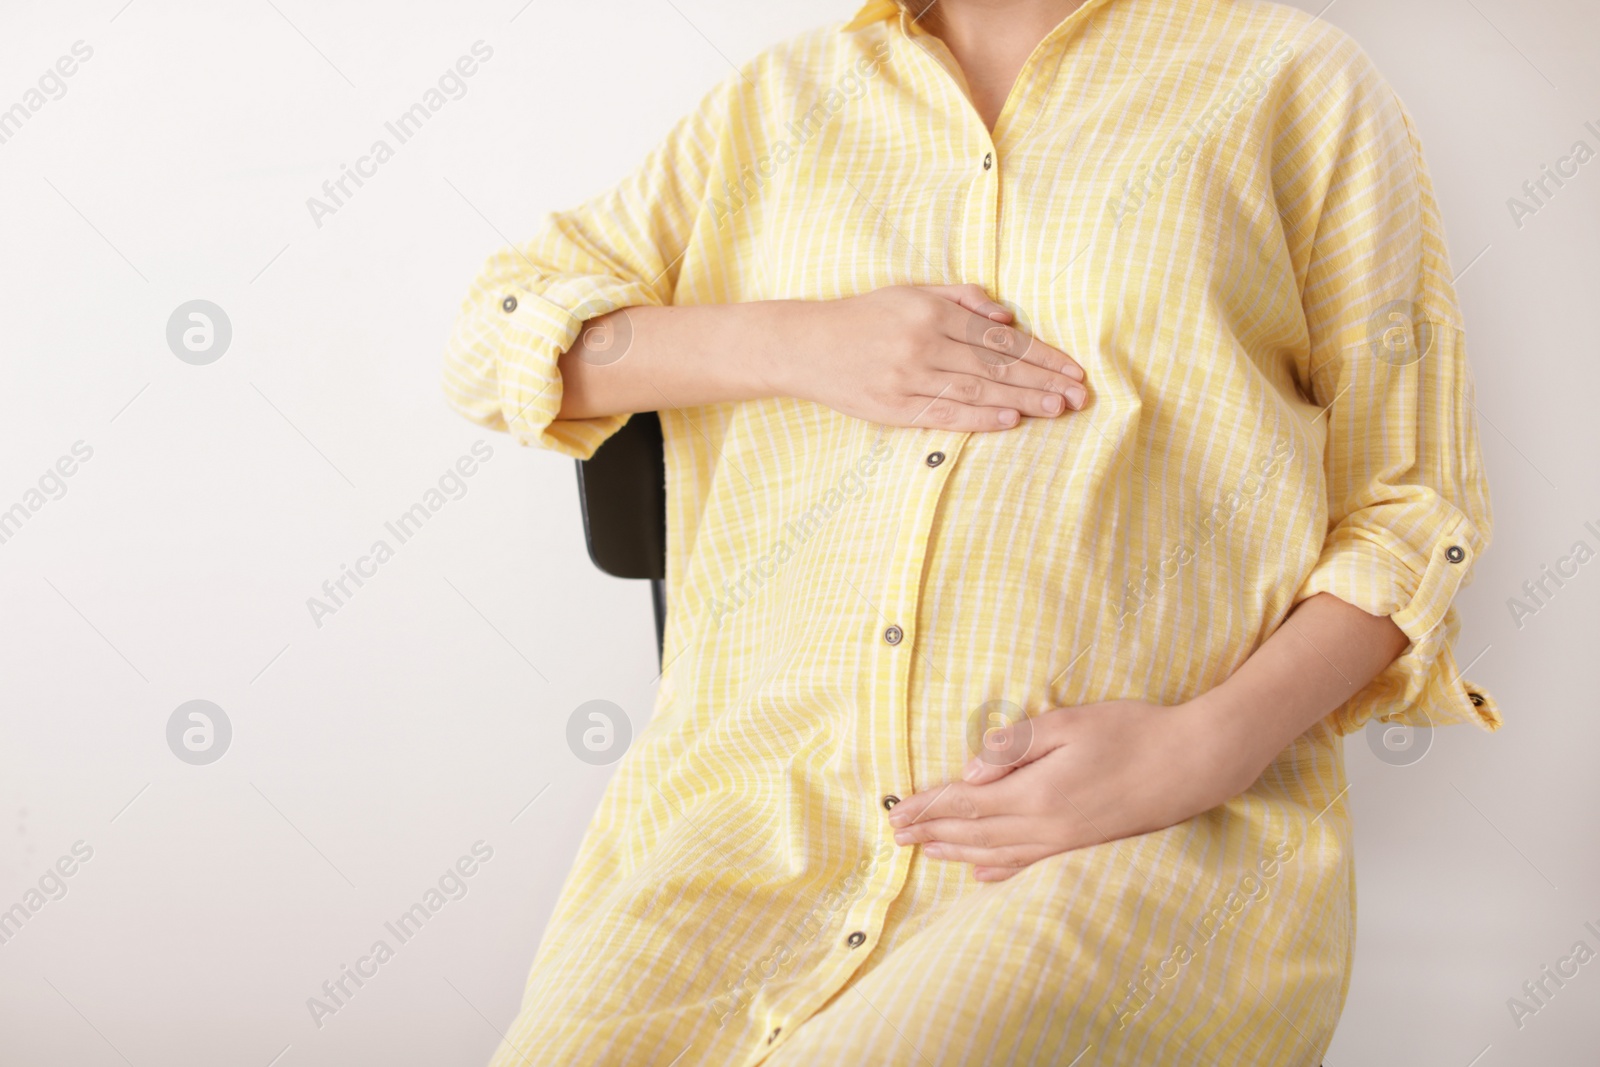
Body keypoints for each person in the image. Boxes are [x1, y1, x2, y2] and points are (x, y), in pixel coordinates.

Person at [442, 0, 1497, 1062]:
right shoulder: (774, 106)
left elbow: (1412, 502)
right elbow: (494, 340)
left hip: (1130, 835)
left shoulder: (1288, 80)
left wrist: (1198, 751)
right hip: (750, 831)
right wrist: (799, 343)